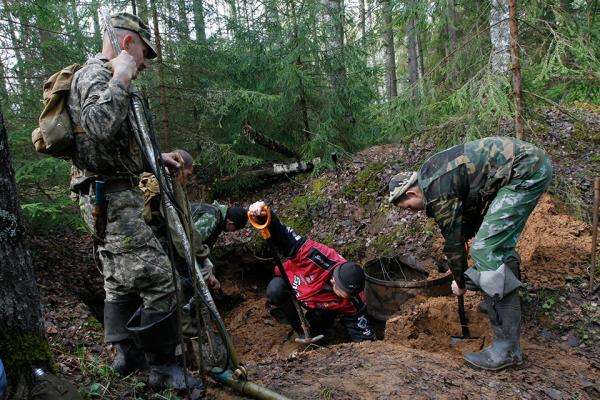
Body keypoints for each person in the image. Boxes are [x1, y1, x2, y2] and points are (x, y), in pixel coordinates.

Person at [67, 13, 202, 393]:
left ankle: (127, 356)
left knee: (118, 281)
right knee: (161, 278)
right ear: (128, 43)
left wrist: (157, 158)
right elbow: (97, 124)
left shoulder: (104, 79)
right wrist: (122, 76)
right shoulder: (95, 76)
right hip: (108, 196)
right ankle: (163, 368)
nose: (144, 62)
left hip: (113, 191)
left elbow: (111, 145)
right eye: (144, 52)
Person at [388, 136, 552, 371]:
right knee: (496, 244)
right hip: (524, 166)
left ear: (411, 195)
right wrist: (465, 244)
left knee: (486, 248)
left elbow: (453, 241)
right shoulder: (432, 175)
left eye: (408, 208)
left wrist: (460, 281)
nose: (413, 213)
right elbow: (471, 208)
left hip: (525, 172)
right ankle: (501, 301)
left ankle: (507, 350)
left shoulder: (436, 191)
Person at [248, 201, 376, 343]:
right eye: (345, 293)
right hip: (294, 286)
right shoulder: (316, 257)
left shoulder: (354, 300)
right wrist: (267, 217)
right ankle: (300, 330)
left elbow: (363, 333)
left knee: (321, 326)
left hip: (321, 307)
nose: (349, 297)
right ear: (334, 281)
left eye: (352, 294)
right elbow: (285, 238)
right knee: (275, 291)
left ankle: (319, 331)